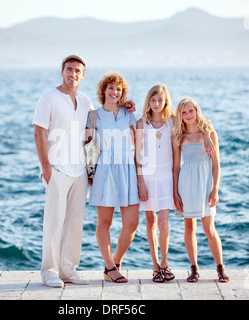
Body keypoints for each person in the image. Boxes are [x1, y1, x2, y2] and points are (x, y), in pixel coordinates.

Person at [32, 55, 92, 288]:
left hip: (79, 171)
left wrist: (125, 106)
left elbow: (94, 129)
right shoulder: (48, 98)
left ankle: (68, 270)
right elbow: (39, 134)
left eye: (78, 71)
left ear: (82, 75)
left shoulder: (86, 101)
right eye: (69, 69)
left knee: (75, 223)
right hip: (56, 169)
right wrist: (46, 168)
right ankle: (49, 272)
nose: (73, 74)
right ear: (62, 71)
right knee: (54, 223)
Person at [86, 71, 139, 283]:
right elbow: (88, 145)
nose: (114, 92)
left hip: (127, 170)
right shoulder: (94, 115)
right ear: (103, 90)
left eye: (118, 89)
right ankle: (109, 266)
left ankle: (115, 263)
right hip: (105, 169)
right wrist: (90, 172)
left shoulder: (129, 114)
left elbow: (139, 144)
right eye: (111, 88)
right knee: (105, 221)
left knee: (132, 222)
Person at [174, 97, 229, 283]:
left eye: (191, 111)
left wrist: (215, 189)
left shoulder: (210, 133)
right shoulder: (179, 137)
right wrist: (175, 193)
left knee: (209, 228)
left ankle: (220, 268)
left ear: (197, 111)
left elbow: (216, 164)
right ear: (179, 115)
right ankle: (194, 269)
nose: (188, 115)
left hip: (205, 183)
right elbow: (176, 168)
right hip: (186, 184)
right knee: (189, 226)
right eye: (184, 112)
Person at [135, 84, 177, 282]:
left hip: (166, 178)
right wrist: (140, 183)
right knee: (150, 221)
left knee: (163, 222)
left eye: (160, 100)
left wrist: (208, 136)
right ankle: (155, 266)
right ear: (148, 101)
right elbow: (137, 156)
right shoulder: (142, 123)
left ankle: (165, 262)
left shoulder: (173, 121)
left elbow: (197, 124)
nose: (157, 104)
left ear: (165, 101)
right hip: (148, 178)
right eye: (153, 100)